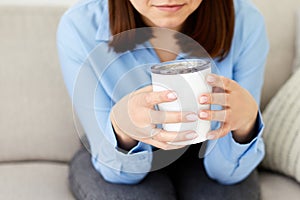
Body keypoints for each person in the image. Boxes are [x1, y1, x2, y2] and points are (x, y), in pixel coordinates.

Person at [57, 0, 269, 199]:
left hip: (210, 147)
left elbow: (228, 172)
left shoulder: (245, 22)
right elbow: (118, 173)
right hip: (118, 147)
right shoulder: (80, 27)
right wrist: (122, 131)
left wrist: (246, 125)